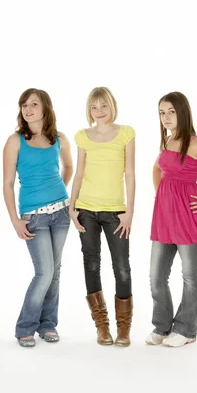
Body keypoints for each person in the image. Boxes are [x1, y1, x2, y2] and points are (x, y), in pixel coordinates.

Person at [146, 91, 197, 347]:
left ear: (182, 113)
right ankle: (162, 326)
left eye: (171, 111)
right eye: (162, 113)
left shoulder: (194, 144)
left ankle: (186, 329)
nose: (166, 117)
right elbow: (157, 169)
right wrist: (162, 196)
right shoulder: (166, 141)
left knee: (190, 275)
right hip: (164, 217)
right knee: (156, 277)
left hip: (188, 217)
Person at [3, 89, 73, 348]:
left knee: (55, 272)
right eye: (24, 105)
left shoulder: (60, 138)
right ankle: (25, 327)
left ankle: (48, 325)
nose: (28, 109)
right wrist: (15, 220)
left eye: (34, 104)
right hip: (33, 216)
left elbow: (68, 167)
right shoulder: (15, 141)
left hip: (61, 213)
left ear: (46, 108)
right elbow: (8, 183)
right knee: (43, 272)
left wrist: (59, 194)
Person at [68, 87, 136, 346]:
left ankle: (124, 328)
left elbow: (130, 173)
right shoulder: (82, 137)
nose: (100, 112)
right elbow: (78, 173)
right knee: (92, 264)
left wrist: (129, 211)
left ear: (112, 106)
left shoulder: (127, 133)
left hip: (116, 212)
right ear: (89, 110)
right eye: (94, 107)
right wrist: (72, 208)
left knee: (122, 267)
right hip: (86, 210)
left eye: (104, 106)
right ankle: (102, 326)